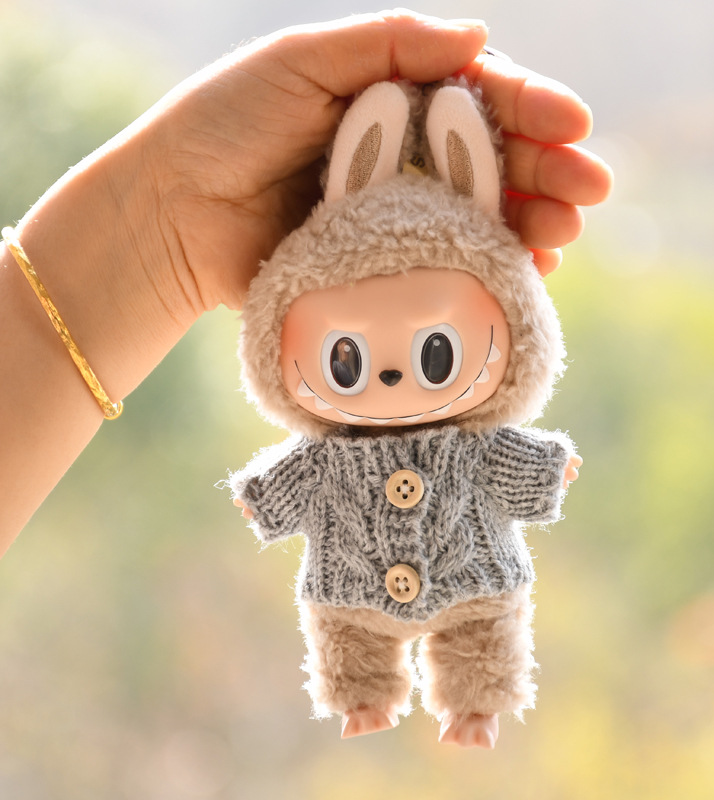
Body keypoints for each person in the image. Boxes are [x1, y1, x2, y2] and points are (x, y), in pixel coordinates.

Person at [0, 9, 613, 556]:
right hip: (347, 608)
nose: (390, 378)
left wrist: (547, 469)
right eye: (345, 359)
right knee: (349, 647)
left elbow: (517, 464)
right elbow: (287, 486)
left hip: (477, 593)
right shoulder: (327, 464)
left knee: (486, 640)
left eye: (437, 353)